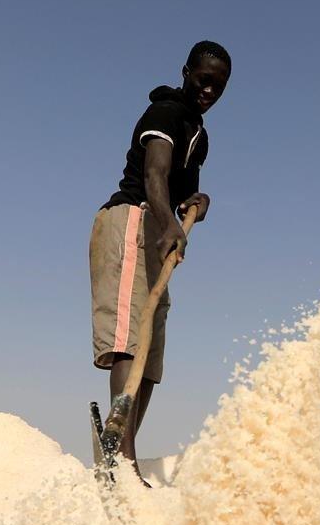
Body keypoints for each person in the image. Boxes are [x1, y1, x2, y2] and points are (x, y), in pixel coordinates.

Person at [89, 40, 231, 472]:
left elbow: (179, 187)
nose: (210, 91)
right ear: (187, 72)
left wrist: (196, 202)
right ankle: (122, 461)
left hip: (159, 230)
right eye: (205, 81)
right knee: (130, 340)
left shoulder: (198, 133)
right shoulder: (166, 114)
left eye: (219, 86)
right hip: (131, 221)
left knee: (151, 352)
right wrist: (170, 223)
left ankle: (121, 443)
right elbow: (154, 174)